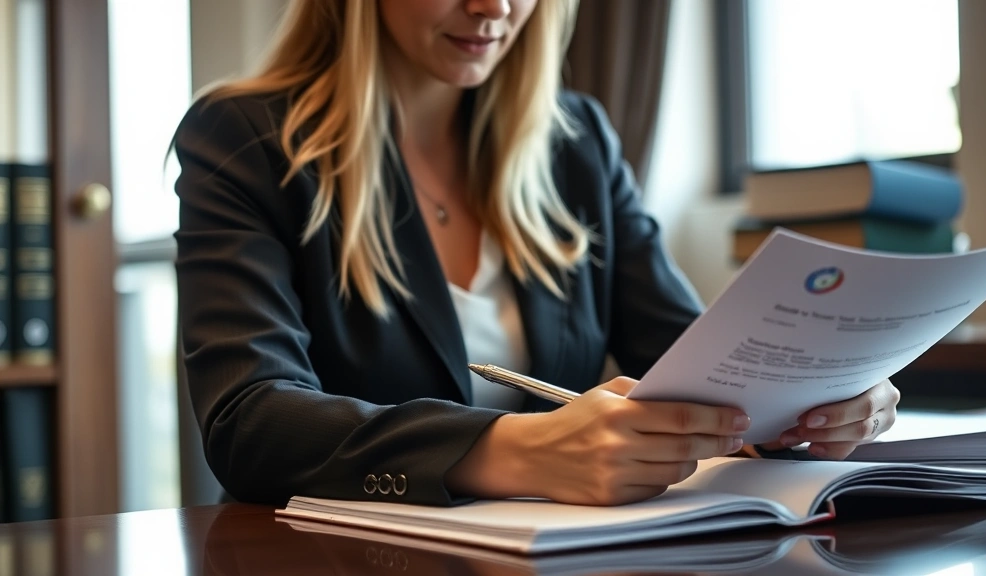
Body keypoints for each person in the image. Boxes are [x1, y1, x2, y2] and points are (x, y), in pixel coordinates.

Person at [171, 0, 900, 508]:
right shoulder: (245, 139)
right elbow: (249, 420)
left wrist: (811, 400)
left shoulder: (576, 142)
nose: (495, 6)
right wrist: (520, 449)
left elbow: (698, 362)